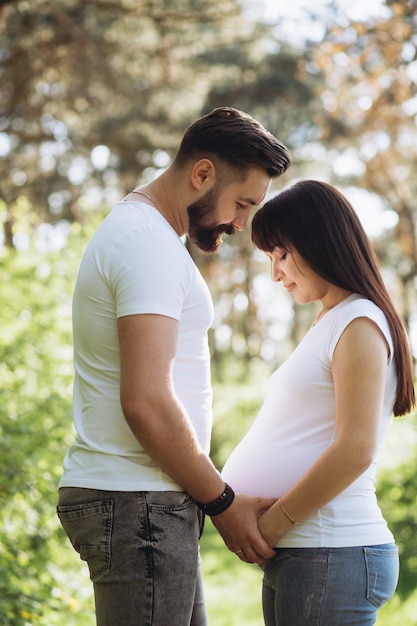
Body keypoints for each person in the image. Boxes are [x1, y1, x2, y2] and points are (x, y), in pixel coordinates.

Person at [56, 106, 291, 626]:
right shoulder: (146, 244)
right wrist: (223, 503)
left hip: (150, 503)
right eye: (242, 202)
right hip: (137, 505)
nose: (239, 222)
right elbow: (146, 400)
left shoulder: (153, 239)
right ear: (202, 173)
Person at [222, 180, 415, 626]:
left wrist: (270, 527)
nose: (274, 273)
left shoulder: (359, 320)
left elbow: (355, 449)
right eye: (269, 258)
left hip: (331, 551)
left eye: (282, 254)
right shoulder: (333, 319)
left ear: (321, 241)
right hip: (310, 554)